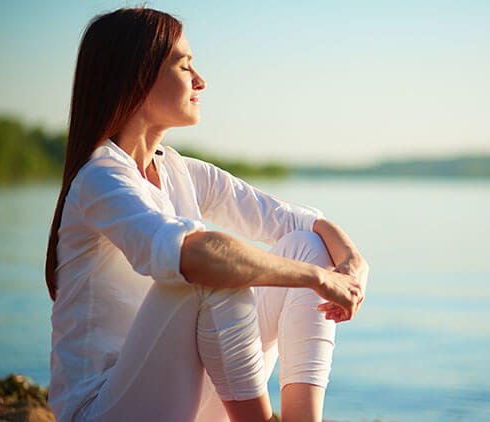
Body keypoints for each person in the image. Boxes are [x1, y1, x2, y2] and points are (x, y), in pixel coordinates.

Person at [44, 7, 368, 422]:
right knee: (208, 272)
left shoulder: (180, 169)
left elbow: (302, 224)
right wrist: (320, 279)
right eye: (184, 65)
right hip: (104, 409)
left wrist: (351, 263)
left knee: (306, 247)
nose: (200, 80)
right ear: (137, 76)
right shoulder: (101, 178)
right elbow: (196, 256)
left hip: (182, 400)